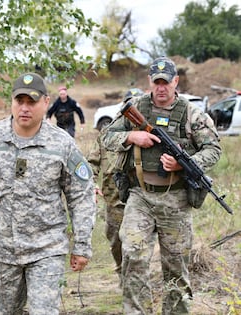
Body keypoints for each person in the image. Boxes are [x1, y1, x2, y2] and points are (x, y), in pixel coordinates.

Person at [0, 72, 96, 315]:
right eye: (19, 101)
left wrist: (82, 245)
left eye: (32, 102)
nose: (25, 108)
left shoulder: (62, 144)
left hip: (47, 250)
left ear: (46, 102)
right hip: (2, 251)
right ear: (12, 102)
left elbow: (82, 195)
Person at [102, 57, 222, 314]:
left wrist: (185, 163)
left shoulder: (191, 113)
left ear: (175, 81)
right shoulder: (135, 107)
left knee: (176, 266)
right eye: (156, 82)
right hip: (140, 196)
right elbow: (106, 137)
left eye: (165, 82)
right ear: (150, 83)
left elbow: (213, 149)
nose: (161, 88)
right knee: (132, 253)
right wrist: (132, 136)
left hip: (176, 201)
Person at [87, 88, 144, 282]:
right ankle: (122, 272)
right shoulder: (108, 133)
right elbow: (92, 162)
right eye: (129, 105)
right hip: (113, 199)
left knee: (137, 242)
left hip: (140, 197)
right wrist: (91, 184)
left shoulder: (147, 135)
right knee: (116, 241)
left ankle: (135, 280)